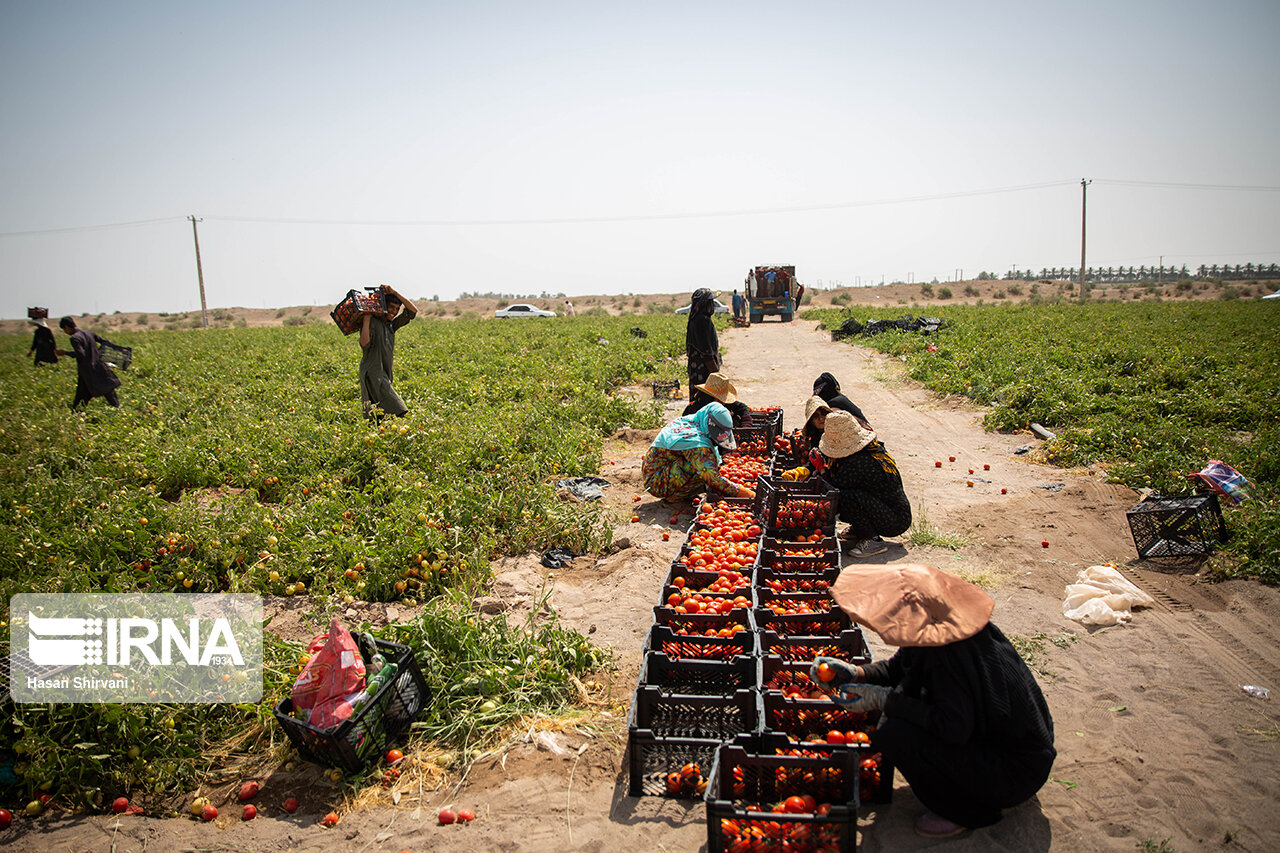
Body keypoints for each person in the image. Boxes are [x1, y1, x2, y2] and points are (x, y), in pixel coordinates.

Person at [811, 563, 1055, 839]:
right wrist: (857, 673)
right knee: (901, 711)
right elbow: (898, 668)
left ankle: (964, 812)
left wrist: (885, 700)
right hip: (1012, 750)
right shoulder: (945, 630)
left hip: (1013, 772)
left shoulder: (950, 657)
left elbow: (953, 726)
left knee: (894, 735)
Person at [814, 411, 911, 556]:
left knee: (845, 497)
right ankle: (860, 529)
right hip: (893, 511)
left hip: (893, 520)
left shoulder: (859, 462)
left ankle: (872, 540)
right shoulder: (872, 449)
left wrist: (822, 469)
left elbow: (833, 490)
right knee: (851, 495)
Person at [642, 403, 756, 503]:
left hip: (657, 472)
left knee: (705, 465)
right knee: (704, 470)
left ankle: (677, 492)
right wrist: (747, 494)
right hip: (656, 482)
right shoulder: (696, 442)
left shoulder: (692, 421)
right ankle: (674, 496)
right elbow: (712, 478)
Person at [358, 284, 418, 420]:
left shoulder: (391, 326)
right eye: (391, 307)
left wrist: (395, 293)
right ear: (383, 306)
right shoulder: (373, 322)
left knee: (378, 415)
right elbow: (364, 343)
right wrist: (366, 318)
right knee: (399, 410)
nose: (394, 311)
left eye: (397, 309)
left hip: (384, 373)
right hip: (373, 373)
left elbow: (412, 311)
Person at [56, 316, 121, 408]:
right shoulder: (88, 333)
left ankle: (76, 412)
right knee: (107, 390)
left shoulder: (74, 338)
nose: (65, 332)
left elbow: (81, 354)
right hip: (99, 366)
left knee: (83, 393)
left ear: (66, 327)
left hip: (87, 370)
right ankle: (117, 408)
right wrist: (118, 348)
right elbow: (104, 341)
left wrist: (65, 353)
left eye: (64, 329)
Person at [684, 288, 720, 409]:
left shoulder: (695, 318)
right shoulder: (702, 321)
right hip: (702, 368)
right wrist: (715, 372)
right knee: (705, 398)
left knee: (698, 398)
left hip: (696, 367)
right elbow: (706, 351)